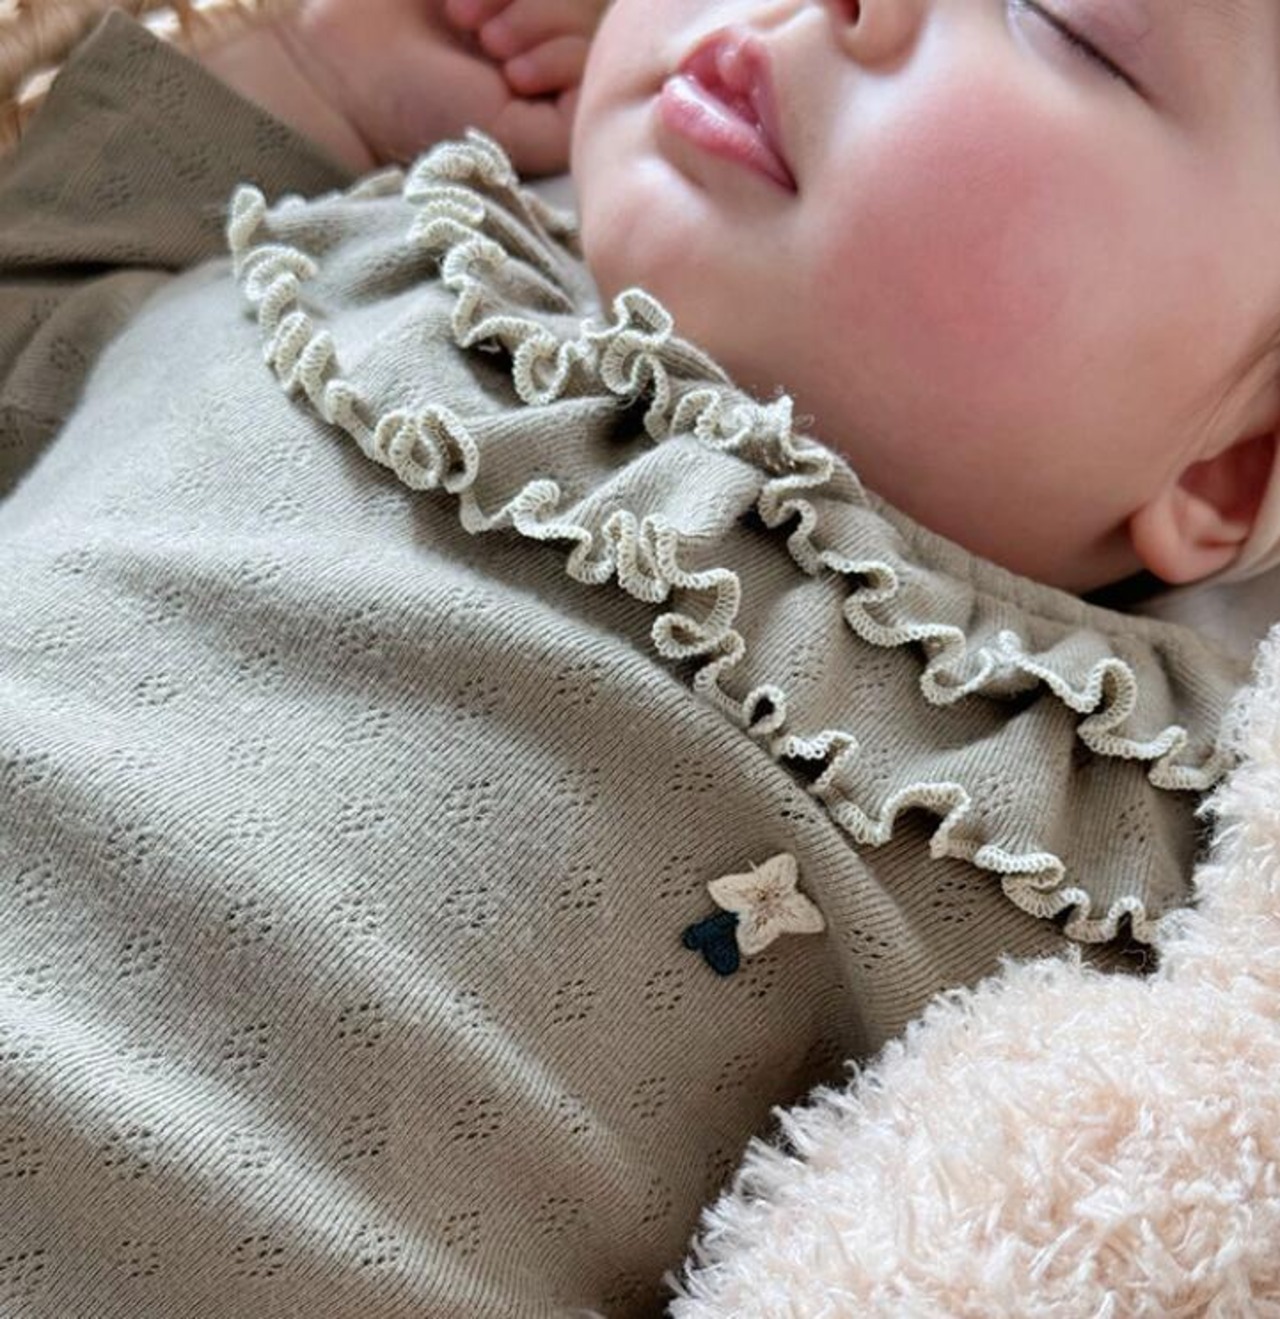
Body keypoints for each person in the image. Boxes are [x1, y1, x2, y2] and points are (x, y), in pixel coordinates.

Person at [0, 1, 1264, 1314]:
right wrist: (318, 82)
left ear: (1224, 470)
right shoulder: (336, 260)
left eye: (1063, 23)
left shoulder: (1111, 838)